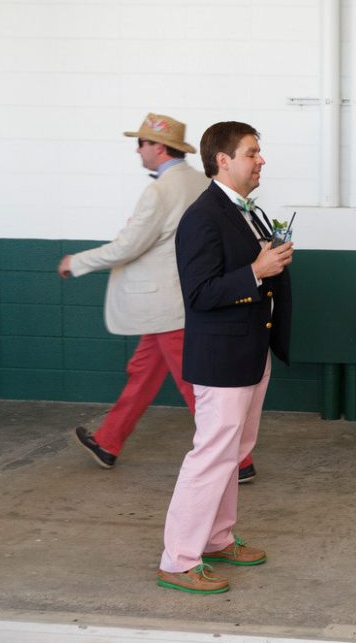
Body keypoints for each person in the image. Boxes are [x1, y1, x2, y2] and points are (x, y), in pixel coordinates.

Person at [58, 113, 258, 483]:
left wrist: (77, 262)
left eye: (142, 143)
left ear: (159, 147)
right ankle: (108, 442)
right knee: (143, 373)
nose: (138, 150)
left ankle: (239, 461)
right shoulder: (202, 183)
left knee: (195, 386)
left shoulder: (160, 191)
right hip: (174, 307)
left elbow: (128, 246)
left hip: (170, 306)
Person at [156, 121, 293, 595]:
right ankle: (178, 560)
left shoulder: (246, 212)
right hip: (223, 357)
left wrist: (269, 262)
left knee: (233, 452)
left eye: (259, 152)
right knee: (212, 455)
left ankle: (217, 538)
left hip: (250, 351)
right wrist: (257, 269)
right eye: (251, 152)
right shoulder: (203, 216)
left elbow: (247, 271)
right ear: (223, 160)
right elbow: (198, 293)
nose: (260, 160)